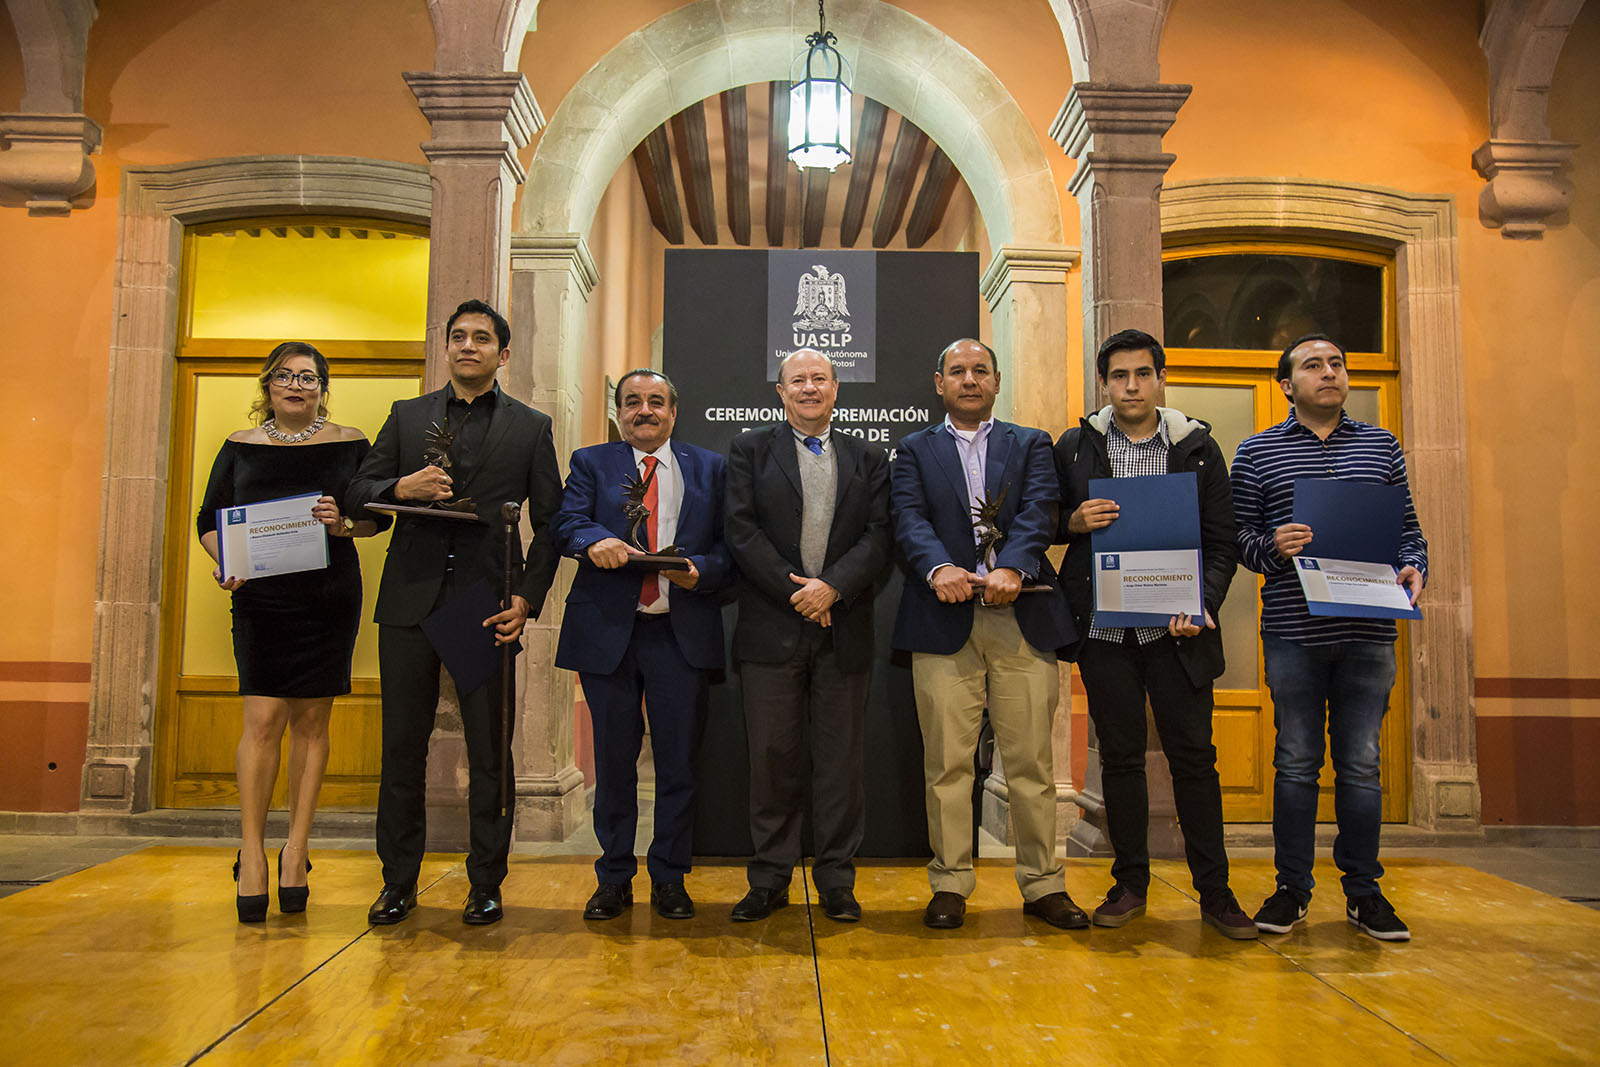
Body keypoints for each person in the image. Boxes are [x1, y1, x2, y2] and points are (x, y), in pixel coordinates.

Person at [346, 299, 563, 927]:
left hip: (485, 604)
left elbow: (549, 525)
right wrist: (397, 489)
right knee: (401, 750)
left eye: (482, 338)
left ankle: (486, 883)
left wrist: (527, 598)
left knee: (491, 753)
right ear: (446, 347)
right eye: (458, 337)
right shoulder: (406, 416)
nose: (469, 346)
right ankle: (397, 882)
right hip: (409, 601)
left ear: (503, 351)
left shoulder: (530, 426)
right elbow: (358, 490)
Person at [1054, 328, 1257, 939]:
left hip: (1179, 635)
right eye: (1119, 376)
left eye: (1143, 373)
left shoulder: (1197, 446)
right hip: (1107, 636)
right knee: (1118, 760)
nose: (1131, 386)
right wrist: (1072, 520)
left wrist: (1202, 601)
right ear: (1105, 383)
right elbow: (1042, 522)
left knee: (1195, 762)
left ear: (1160, 377)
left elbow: (1223, 543)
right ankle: (1130, 883)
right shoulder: (1075, 446)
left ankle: (1216, 894)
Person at [1232, 333, 1427, 943]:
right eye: (1313, 366)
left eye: (1337, 364)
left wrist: (1414, 565)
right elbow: (1238, 540)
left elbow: (1409, 533)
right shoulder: (1257, 453)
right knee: (1295, 762)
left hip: (1368, 631)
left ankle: (1364, 893)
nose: (1330, 373)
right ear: (1287, 385)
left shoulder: (1381, 447)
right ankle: (1292, 890)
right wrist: (1272, 545)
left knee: (1362, 765)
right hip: (1294, 631)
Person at [890, 338, 1085, 931]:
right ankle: (950, 883)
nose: (969, 379)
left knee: (1029, 764)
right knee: (947, 765)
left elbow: (1041, 510)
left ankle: (1043, 885)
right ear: (939, 382)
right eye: (957, 371)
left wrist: (1012, 566)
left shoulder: (1031, 444)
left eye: (980, 371)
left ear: (996, 382)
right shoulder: (913, 450)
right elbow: (907, 517)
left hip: (1023, 619)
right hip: (942, 621)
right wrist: (939, 569)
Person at [196, 342, 389, 923]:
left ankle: (297, 850)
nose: (296, 384)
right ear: (268, 385)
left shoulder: (352, 442)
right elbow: (209, 520)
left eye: (309, 376)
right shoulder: (239, 446)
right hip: (260, 598)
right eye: (285, 375)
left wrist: (345, 524)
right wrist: (224, 561)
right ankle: (251, 850)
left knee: (312, 722)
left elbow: (376, 517)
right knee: (261, 722)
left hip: (328, 595)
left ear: (323, 388)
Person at [554, 369, 733, 922]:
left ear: (673, 412)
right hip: (609, 633)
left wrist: (698, 571)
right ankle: (612, 877)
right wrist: (595, 540)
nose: (645, 411)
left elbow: (732, 546)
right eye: (633, 402)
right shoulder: (591, 462)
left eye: (656, 402)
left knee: (678, 763)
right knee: (614, 763)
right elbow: (566, 523)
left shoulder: (710, 467)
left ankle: (671, 878)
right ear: (619, 412)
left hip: (680, 634)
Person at [723, 348, 891, 924]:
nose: (809, 388)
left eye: (820, 378)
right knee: (772, 760)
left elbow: (878, 536)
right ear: (780, 391)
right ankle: (770, 878)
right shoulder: (749, 450)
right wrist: (800, 593)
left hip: (843, 632)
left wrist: (832, 589)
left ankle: (837, 881)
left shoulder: (868, 456)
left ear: (836, 388)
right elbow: (740, 531)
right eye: (798, 380)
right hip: (772, 631)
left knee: (841, 764)